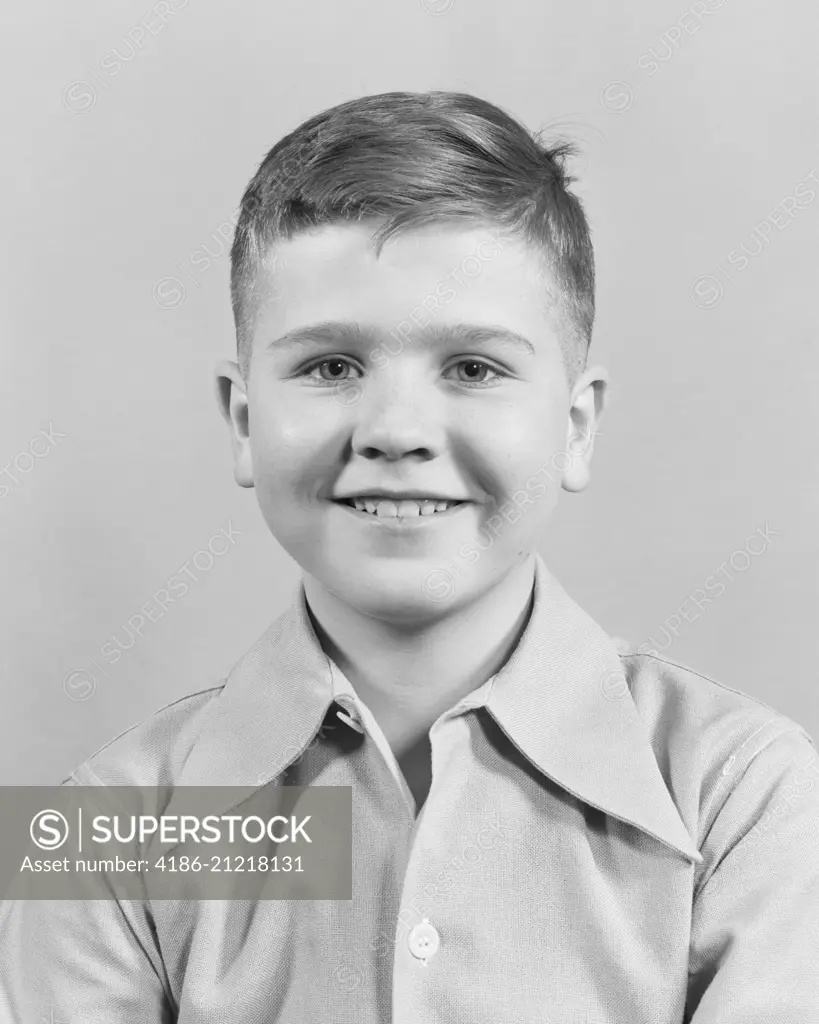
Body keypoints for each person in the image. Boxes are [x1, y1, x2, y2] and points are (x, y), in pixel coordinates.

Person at [1, 90, 817, 1022]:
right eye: (330, 366)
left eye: (472, 368)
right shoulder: (101, 829)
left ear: (576, 427)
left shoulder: (745, 795)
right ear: (241, 420)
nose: (394, 430)